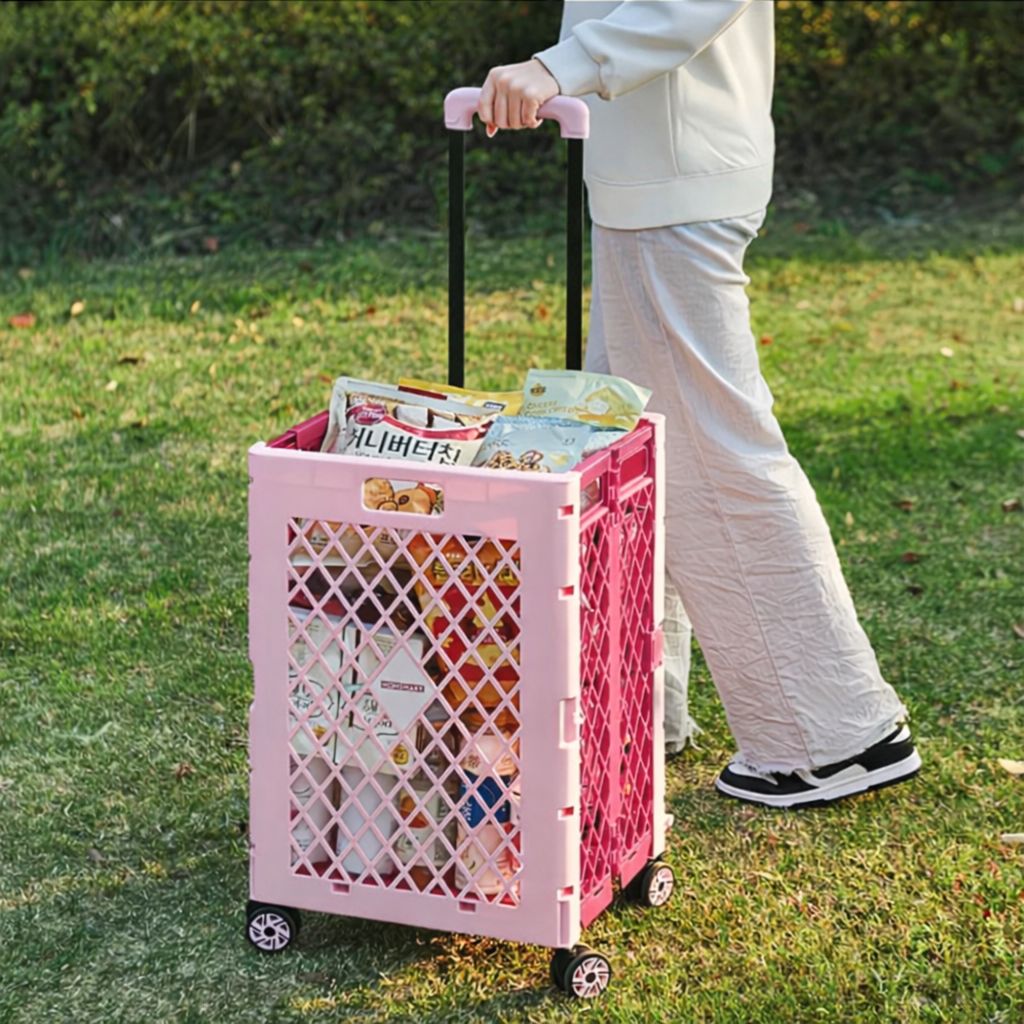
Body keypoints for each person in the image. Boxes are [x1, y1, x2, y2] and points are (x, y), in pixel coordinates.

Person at [477, 0, 920, 808]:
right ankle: (638, 709)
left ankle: (835, 737)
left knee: (717, 461)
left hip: (672, 188)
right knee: (633, 459)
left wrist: (557, 67)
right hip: (649, 182)